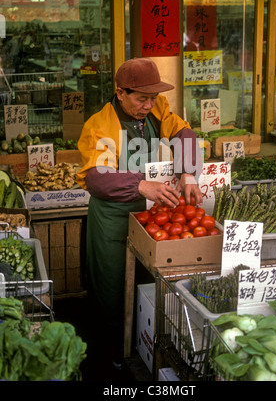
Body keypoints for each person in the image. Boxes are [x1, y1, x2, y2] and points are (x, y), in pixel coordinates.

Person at [76, 57, 203, 369]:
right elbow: (96, 178)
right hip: (113, 220)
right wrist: (140, 186)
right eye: (141, 98)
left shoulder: (158, 111)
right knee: (112, 291)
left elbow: (184, 133)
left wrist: (187, 172)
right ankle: (111, 356)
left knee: (146, 287)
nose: (149, 105)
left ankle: (141, 347)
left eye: (153, 98)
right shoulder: (101, 124)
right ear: (120, 93)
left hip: (150, 217)